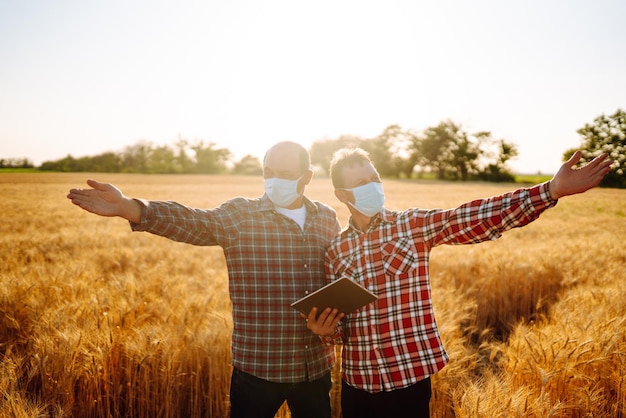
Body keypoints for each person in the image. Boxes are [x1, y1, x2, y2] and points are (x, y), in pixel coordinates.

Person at [305, 147, 613, 418]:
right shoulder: (336, 250)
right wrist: (325, 331)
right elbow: (340, 329)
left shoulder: (410, 226)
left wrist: (550, 191)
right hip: (357, 383)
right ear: (342, 195)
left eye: (375, 178)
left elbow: (472, 217)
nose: (373, 186)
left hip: (408, 381)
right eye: (361, 184)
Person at [67, 141, 341, 418]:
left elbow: (339, 277)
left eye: (284, 173)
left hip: (314, 366)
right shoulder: (241, 215)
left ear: (306, 177)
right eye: (268, 171)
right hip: (259, 369)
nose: (274, 180)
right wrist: (130, 207)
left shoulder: (326, 219)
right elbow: (193, 221)